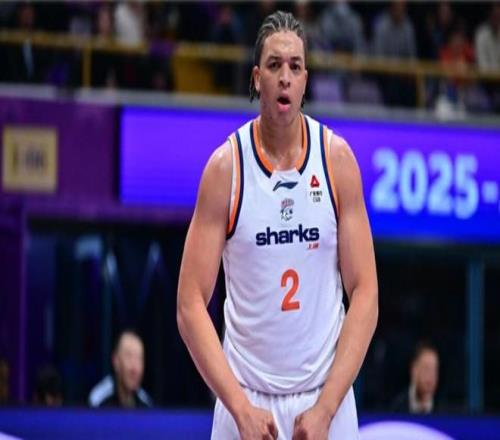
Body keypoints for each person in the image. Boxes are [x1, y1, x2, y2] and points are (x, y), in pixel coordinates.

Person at [177, 10, 378, 439]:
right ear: (256, 78)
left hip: (325, 399)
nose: (285, 77)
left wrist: (327, 407)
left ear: (306, 80)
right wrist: (238, 407)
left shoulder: (337, 161)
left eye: (295, 66)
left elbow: (365, 293)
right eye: (274, 65)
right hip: (246, 399)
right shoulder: (226, 169)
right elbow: (189, 303)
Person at [88, 329, 153, 408]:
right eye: (129, 357)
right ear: (116, 361)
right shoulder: (99, 400)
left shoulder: (146, 403)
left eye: (139, 358)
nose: (134, 368)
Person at [391, 341, 440, 414]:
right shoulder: (396, 406)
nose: (431, 375)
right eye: (426, 368)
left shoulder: (445, 410)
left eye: (434, 369)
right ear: (414, 370)